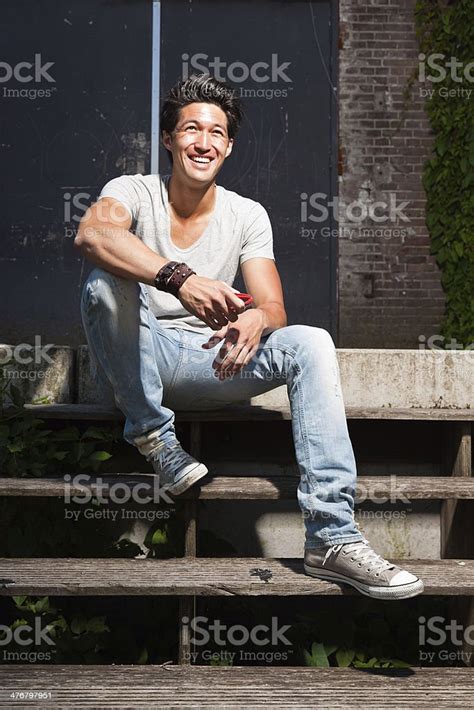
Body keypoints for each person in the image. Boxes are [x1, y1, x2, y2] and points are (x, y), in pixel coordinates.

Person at [75, 74, 423, 600]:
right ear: (169, 139)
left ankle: (332, 537)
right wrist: (179, 278)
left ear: (229, 146)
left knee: (310, 341)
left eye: (216, 132)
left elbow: (275, 305)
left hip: (213, 363)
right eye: (191, 128)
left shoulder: (247, 214)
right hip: (137, 357)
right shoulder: (131, 191)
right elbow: (93, 235)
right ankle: (154, 439)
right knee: (104, 283)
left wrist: (260, 319)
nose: (203, 141)